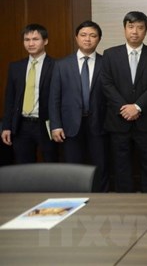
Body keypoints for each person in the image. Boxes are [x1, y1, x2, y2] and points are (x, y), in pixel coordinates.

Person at [101, 11, 147, 192]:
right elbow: (106, 84)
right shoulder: (110, 54)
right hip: (118, 121)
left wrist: (137, 106)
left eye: (139, 27)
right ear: (124, 29)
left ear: (146, 31)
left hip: (146, 121)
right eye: (130, 27)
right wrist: (125, 108)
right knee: (121, 165)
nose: (134, 31)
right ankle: (124, 200)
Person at [49, 21, 109, 191]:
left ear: (99, 39)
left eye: (92, 35)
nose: (87, 39)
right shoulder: (61, 65)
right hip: (70, 125)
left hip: (99, 123)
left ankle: (102, 200)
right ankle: (74, 200)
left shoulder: (106, 63)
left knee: (101, 165)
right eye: (83, 35)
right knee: (72, 167)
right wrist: (55, 125)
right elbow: (54, 98)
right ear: (76, 38)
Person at [1, 24, 57, 163]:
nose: (30, 43)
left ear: (45, 41)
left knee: (51, 165)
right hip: (21, 125)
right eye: (27, 39)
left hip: (46, 125)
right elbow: (10, 99)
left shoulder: (57, 66)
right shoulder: (16, 67)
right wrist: (6, 126)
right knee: (23, 167)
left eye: (35, 39)